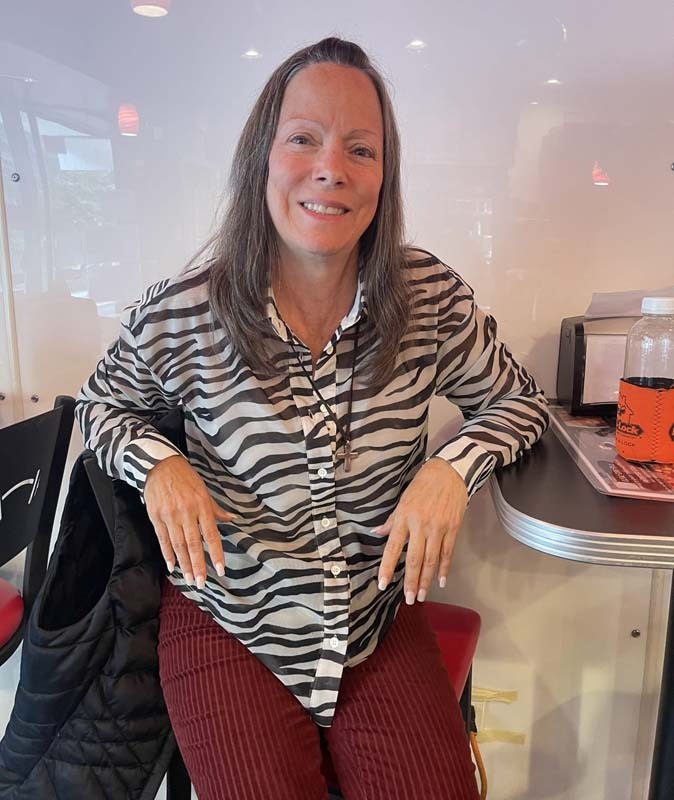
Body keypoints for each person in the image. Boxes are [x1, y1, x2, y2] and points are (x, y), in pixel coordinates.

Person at [77, 36, 548, 800]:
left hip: (372, 615)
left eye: (361, 149)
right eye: (304, 139)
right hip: (230, 612)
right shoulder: (184, 312)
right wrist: (159, 465)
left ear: (384, 176)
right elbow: (101, 405)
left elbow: (519, 402)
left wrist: (450, 468)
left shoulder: (429, 298)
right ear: (261, 157)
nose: (332, 168)